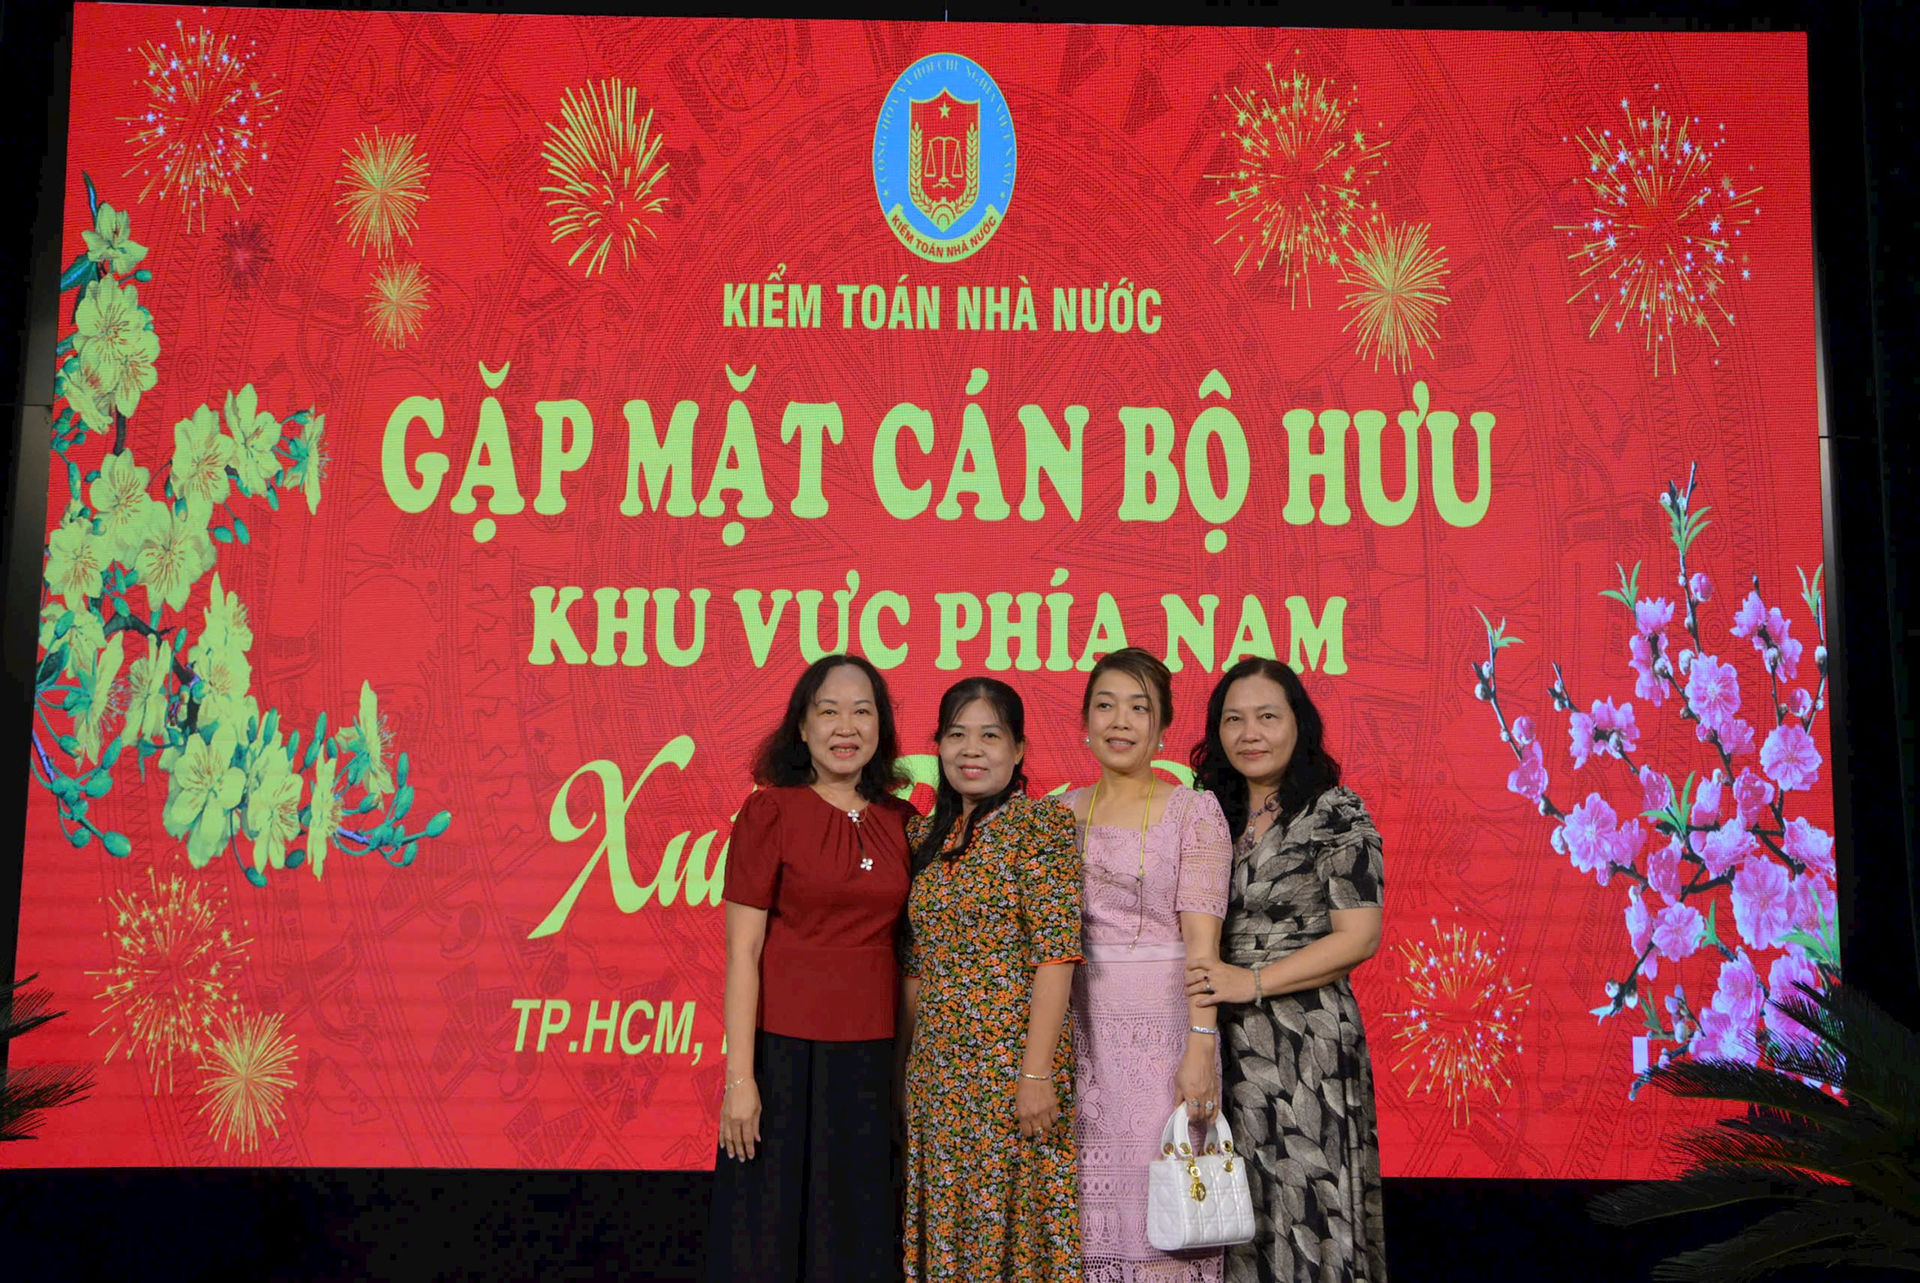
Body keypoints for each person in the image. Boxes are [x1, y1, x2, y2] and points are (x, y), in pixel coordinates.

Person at [705, 653, 918, 1283]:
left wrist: (903, 1077)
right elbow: (743, 953)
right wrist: (740, 1080)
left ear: (881, 727)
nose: (845, 727)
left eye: (862, 711)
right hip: (782, 1057)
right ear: (802, 727)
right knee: (768, 1235)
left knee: (853, 1234)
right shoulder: (770, 812)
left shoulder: (905, 822)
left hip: (870, 1058)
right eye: (828, 711)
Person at [1185, 657, 1386, 1283]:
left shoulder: (1334, 812)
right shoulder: (1206, 812)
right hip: (1218, 1039)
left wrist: (1252, 982)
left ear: (1299, 724)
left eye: (1267, 717)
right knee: (1232, 1206)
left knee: (1305, 1205)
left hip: (1306, 1043)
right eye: (1234, 720)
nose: (1251, 733)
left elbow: (1360, 936)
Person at [901, 677, 1083, 1281]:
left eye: (990, 736)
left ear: (1019, 749)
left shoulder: (1040, 826)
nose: (971, 750)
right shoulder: (921, 836)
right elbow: (915, 965)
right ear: (938, 745)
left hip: (1012, 1073)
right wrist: (905, 1072)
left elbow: (1056, 956)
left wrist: (1036, 1075)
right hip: (937, 1078)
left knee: (1012, 1238)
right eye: (957, 735)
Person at [1066, 646, 1232, 1283]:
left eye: (1139, 708)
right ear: (1085, 721)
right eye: (1105, 705)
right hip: (1080, 1035)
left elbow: (1204, 951)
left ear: (1162, 727)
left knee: (1168, 1216)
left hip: (1167, 1038)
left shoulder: (1194, 811)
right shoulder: (1057, 815)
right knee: (1086, 1222)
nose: (1120, 721)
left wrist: (1200, 1044)